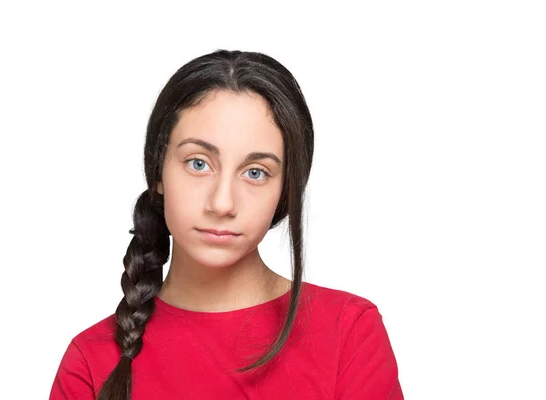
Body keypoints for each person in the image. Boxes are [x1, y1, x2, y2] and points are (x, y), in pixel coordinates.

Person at [49, 49, 404, 400]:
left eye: (255, 173)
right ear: (158, 170)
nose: (222, 203)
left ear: (285, 190)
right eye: (198, 163)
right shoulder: (90, 363)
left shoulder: (348, 333)